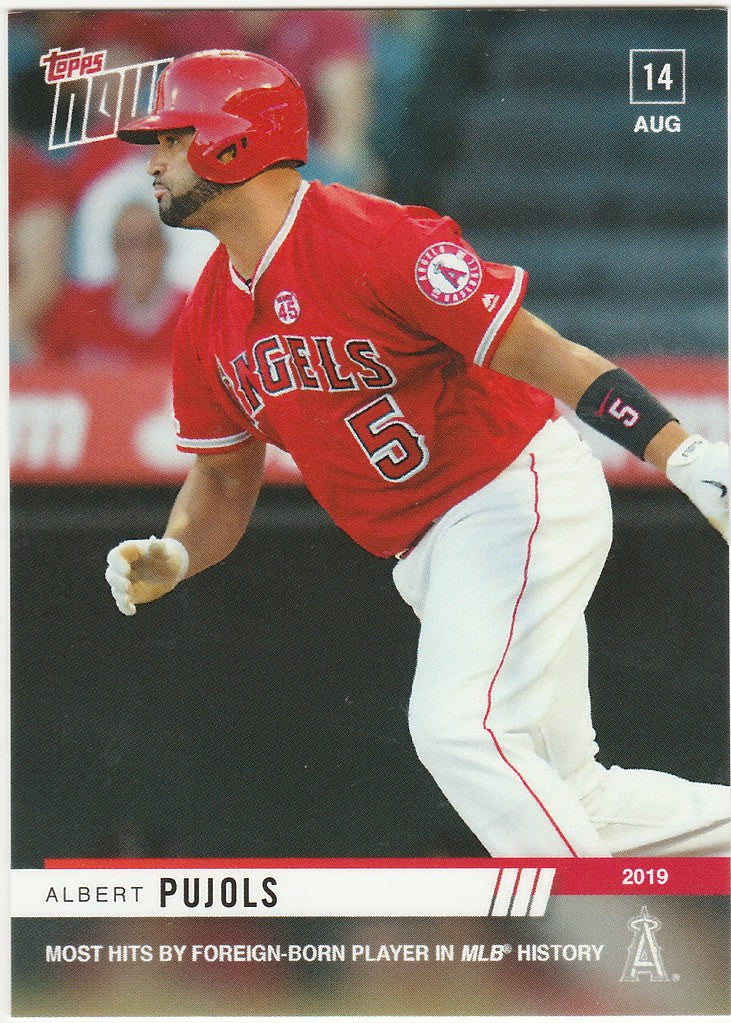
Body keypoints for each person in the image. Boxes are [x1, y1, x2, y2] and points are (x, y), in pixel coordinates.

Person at [104, 50, 730, 858]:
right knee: (574, 797)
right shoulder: (209, 316)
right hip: (429, 550)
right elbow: (224, 475)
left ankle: (593, 959)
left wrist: (678, 453)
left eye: (172, 138)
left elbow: (540, 351)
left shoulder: (372, 238)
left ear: (233, 143)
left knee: (457, 726)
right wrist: (178, 551)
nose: (152, 161)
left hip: (509, 490)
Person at [38, 201, 188, 367]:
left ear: (164, 248)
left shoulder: (196, 313)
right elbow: (47, 378)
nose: (137, 256)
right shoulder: (77, 310)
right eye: (126, 244)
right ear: (113, 249)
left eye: (147, 242)